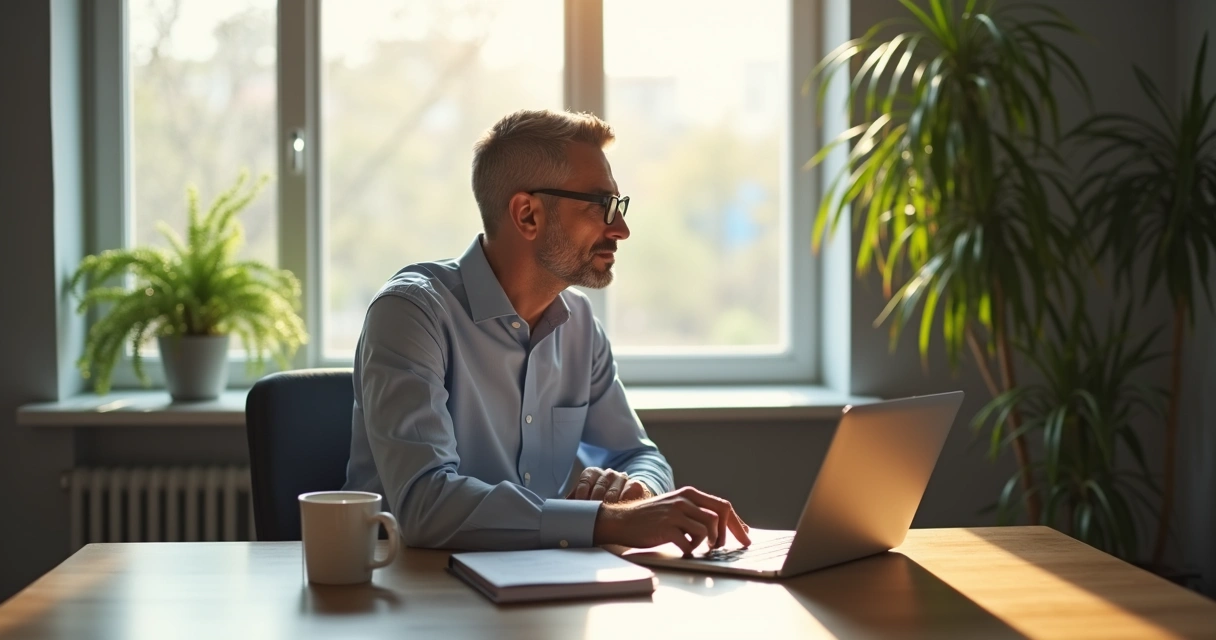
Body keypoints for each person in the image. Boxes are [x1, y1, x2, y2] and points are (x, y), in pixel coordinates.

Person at [344, 109, 750, 555]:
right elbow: (424, 506)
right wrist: (607, 521)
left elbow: (640, 456)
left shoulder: (578, 326)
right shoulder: (411, 314)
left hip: (544, 590)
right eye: (601, 207)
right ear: (527, 215)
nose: (621, 229)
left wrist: (635, 492)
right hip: (414, 597)